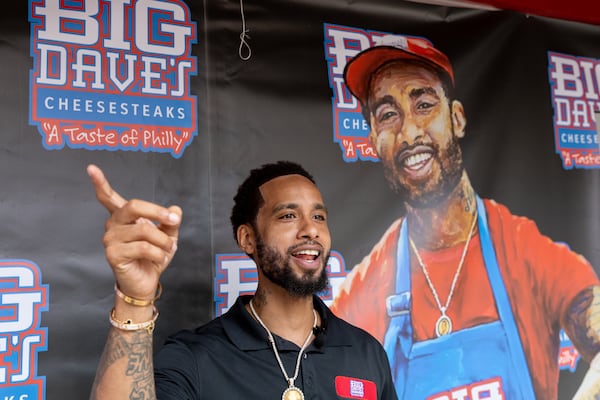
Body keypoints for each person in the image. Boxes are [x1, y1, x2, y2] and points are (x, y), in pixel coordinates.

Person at [331, 34, 600, 399]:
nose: (409, 132)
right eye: (388, 115)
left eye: (423, 104)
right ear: (375, 138)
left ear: (456, 118)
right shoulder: (365, 289)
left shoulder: (522, 250)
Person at [87, 161, 397, 400]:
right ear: (247, 238)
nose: (311, 230)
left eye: (319, 217)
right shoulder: (195, 356)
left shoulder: (366, 352)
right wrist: (135, 298)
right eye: (288, 216)